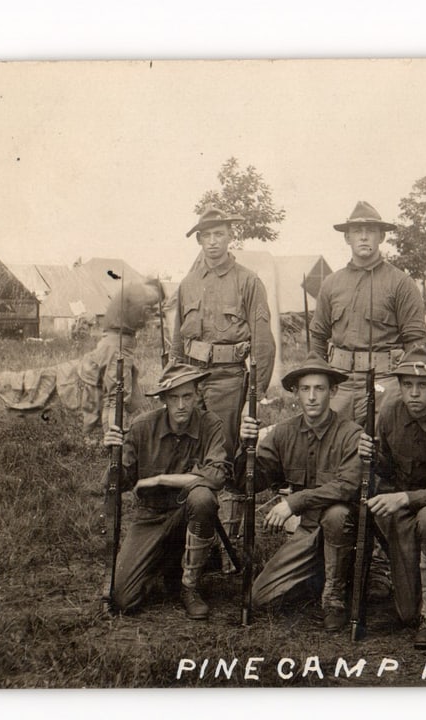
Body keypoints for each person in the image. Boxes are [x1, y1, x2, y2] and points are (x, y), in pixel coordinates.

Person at [172, 206, 277, 563]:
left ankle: (229, 548)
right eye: (206, 236)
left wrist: (255, 395)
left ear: (231, 237)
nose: (213, 242)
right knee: (188, 454)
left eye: (219, 234)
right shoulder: (188, 283)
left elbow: (262, 341)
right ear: (199, 240)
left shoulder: (248, 281)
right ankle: (192, 535)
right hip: (191, 380)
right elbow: (176, 341)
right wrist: (174, 383)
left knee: (227, 456)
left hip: (230, 381)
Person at [238, 355, 364, 632]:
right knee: (260, 598)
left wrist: (293, 502)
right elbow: (252, 480)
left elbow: (348, 485)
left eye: (319, 389)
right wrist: (244, 447)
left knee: (337, 513)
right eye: (305, 389)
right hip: (307, 532)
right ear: (296, 393)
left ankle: (334, 598)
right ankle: (320, 575)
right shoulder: (284, 432)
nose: (312, 397)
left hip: (344, 530)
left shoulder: (350, 433)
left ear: (332, 391)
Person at [356, 346, 426, 648]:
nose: (414, 393)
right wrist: (371, 457)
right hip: (406, 505)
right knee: (406, 614)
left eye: (422, 385)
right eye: (407, 385)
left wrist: (403, 498)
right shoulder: (391, 412)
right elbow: (390, 470)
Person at [102, 363, 231, 620]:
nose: (181, 405)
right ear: (163, 400)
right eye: (174, 397)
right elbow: (117, 483)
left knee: (203, 497)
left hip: (188, 512)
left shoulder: (211, 425)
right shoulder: (142, 427)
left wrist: (160, 479)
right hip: (151, 517)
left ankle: (189, 587)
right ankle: (169, 562)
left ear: (198, 395)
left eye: (187, 396)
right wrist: (112, 453)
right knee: (123, 599)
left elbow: (216, 475)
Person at [309, 200, 426, 425]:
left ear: (381, 236)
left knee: (382, 448)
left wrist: (406, 386)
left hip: (385, 383)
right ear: (347, 238)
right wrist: (321, 379)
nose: (364, 237)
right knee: (333, 444)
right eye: (357, 231)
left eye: (371, 231)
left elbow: (416, 343)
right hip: (340, 383)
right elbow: (318, 337)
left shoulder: (401, 283)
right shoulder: (331, 284)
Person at [78, 277, 162, 438]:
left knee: (115, 397)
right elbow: (143, 313)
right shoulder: (141, 292)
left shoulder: (129, 295)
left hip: (113, 342)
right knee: (117, 398)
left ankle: (112, 439)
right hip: (117, 344)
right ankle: (116, 444)